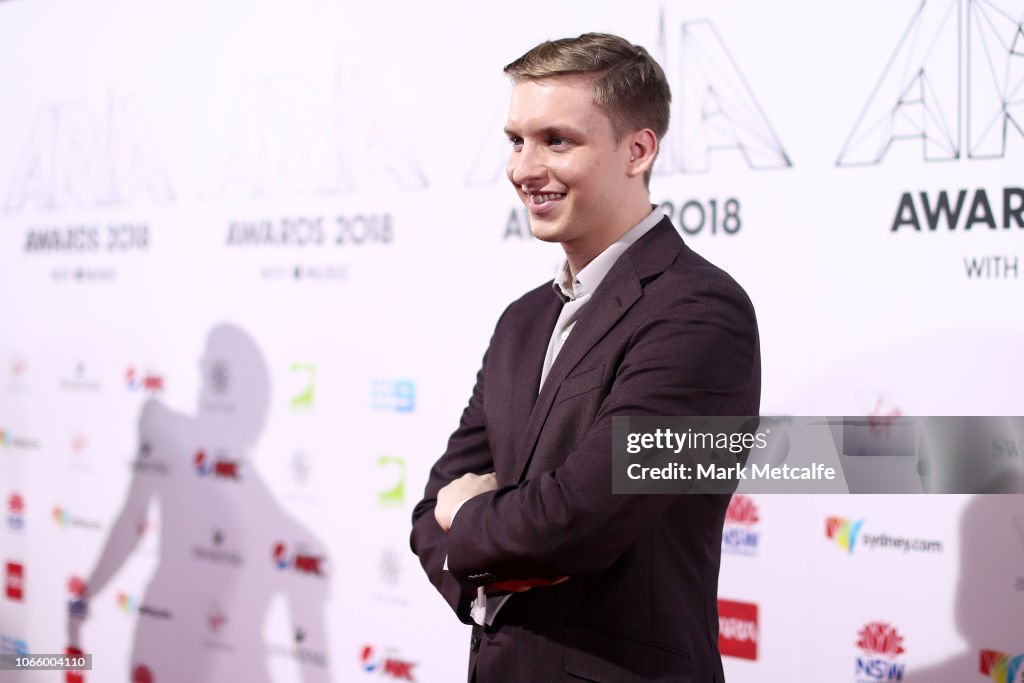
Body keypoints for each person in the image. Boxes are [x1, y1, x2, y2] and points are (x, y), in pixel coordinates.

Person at [410, 33, 760, 683]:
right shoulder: (523, 319)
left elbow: (581, 518)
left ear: (638, 149)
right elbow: (430, 507)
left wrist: (468, 520)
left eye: (556, 141)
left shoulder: (704, 315)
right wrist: (475, 534)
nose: (524, 167)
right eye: (516, 140)